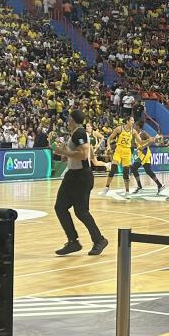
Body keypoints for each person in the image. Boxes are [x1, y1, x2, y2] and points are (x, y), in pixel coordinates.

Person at [53, 109, 108, 256]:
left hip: (81, 177)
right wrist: (67, 156)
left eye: (69, 119)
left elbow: (83, 155)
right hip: (73, 175)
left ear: (72, 119)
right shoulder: (77, 134)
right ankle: (73, 241)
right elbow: (82, 153)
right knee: (61, 207)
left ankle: (99, 240)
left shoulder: (80, 133)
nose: (67, 121)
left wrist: (63, 152)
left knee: (80, 211)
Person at [102, 118, 136, 195]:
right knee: (113, 169)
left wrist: (150, 140)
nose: (133, 122)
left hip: (127, 152)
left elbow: (140, 141)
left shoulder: (133, 131)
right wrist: (108, 146)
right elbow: (109, 138)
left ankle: (127, 191)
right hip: (119, 150)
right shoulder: (119, 129)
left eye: (133, 121)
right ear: (127, 121)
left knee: (126, 173)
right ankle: (106, 187)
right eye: (131, 120)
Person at [130, 125, 165, 195]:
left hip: (145, 152)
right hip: (140, 153)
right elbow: (134, 144)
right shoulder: (134, 134)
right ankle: (159, 185)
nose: (133, 127)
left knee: (134, 168)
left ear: (138, 127)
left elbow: (151, 140)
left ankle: (139, 186)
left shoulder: (143, 133)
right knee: (148, 171)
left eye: (134, 126)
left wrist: (144, 146)